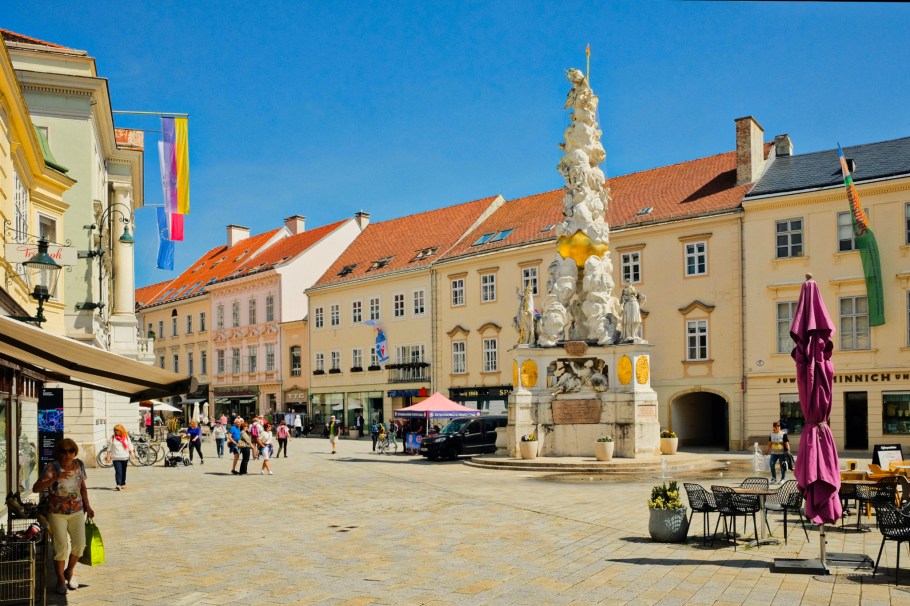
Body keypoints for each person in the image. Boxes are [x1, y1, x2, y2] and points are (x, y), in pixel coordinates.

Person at [32, 438, 94, 595]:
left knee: (80, 545)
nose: (68, 455)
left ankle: (69, 571)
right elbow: (35, 488)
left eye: (71, 451)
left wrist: (87, 505)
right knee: (61, 548)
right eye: (64, 451)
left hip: (77, 511)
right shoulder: (52, 468)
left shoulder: (79, 465)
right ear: (58, 453)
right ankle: (60, 580)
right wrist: (55, 478)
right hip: (57, 513)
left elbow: (82, 487)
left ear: (75, 452)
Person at [105, 424, 133, 491]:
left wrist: (132, 453)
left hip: (125, 457)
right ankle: (118, 484)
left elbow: (129, 445)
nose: (116, 431)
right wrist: (108, 456)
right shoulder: (113, 438)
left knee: (123, 471)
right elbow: (109, 448)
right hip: (116, 458)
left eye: (117, 430)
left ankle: (123, 483)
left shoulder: (126, 437)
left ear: (121, 430)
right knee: (118, 471)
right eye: (115, 430)